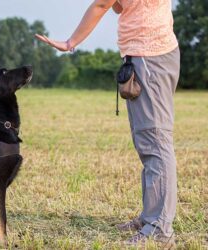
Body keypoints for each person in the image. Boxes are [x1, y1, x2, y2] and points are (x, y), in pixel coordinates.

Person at [35, 0, 180, 248]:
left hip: (149, 58)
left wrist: (71, 43)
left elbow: (102, 5)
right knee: (148, 143)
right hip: (151, 54)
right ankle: (150, 217)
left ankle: (159, 228)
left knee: (155, 143)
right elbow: (119, 6)